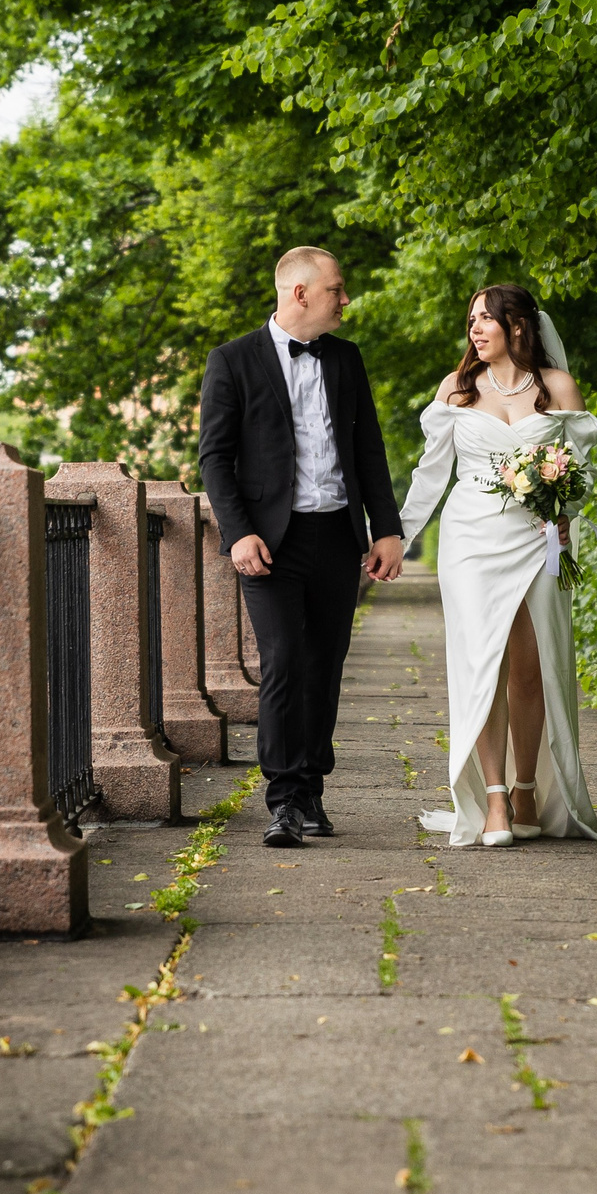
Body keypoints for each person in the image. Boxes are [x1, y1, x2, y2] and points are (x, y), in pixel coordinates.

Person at [197, 247, 405, 847]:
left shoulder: (346, 359)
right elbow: (215, 457)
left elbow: (369, 447)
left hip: (337, 535)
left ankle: (312, 786)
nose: (346, 299)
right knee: (284, 659)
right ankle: (283, 799)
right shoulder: (232, 361)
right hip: (270, 542)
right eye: (337, 289)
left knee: (323, 666)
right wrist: (238, 532)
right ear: (301, 293)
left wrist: (385, 529)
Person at [397, 285, 597, 847]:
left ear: (517, 325)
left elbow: (582, 473)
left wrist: (566, 513)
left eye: (485, 318)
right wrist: (395, 536)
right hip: (469, 539)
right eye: (471, 320)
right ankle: (492, 798)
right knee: (483, 666)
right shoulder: (457, 389)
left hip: (537, 539)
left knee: (532, 666)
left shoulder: (557, 387)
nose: (475, 329)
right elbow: (431, 474)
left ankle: (527, 788)